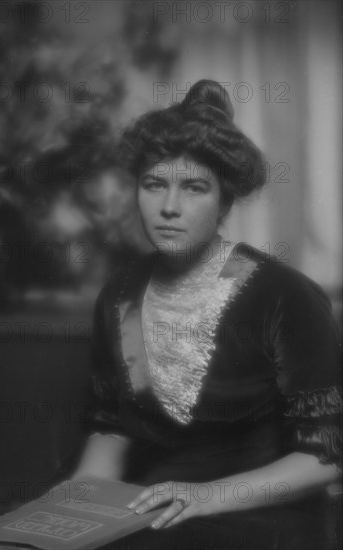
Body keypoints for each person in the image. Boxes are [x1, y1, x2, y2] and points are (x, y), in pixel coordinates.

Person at [71, 80, 342, 549]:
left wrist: (204, 496)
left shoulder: (285, 296)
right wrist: (69, 509)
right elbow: (110, 429)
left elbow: (327, 457)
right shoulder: (117, 295)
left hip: (262, 523)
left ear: (225, 200)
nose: (169, 207)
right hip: (146, 512)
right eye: (154, 184)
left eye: (194, 188)